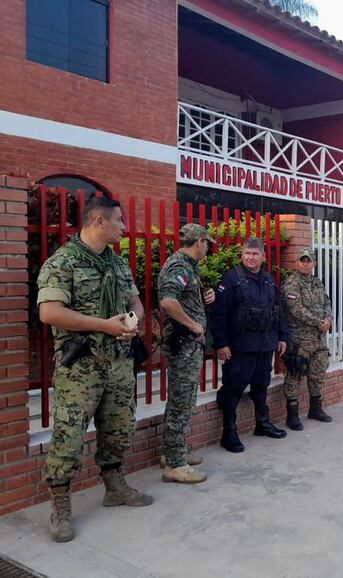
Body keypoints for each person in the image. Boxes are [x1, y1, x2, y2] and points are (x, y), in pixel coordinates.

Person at [37, 196, 153, 543]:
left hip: (118, 362)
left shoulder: (116, 264)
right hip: (80, 369)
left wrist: (134, 319)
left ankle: (114, 486)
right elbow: (50, 313)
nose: (124, 226)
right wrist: (103, 325)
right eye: (119, 220)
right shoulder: (63, 262)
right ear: (98, 221)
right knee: (68, 438)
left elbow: (134, 299)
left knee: (119, 428)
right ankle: (60, 505)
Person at [212, 238, 289, 453]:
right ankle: (229, 433)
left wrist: (282, 337)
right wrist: (221, 343)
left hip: (265, 345)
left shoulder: (268, 280)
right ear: (242, 255)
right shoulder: (231, 278)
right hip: (240, 346)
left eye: (255, 254)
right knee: (233, 388)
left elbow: (278, 310)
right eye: (247, 253)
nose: (250, 257)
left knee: (261, 385)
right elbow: (220, 314)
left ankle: (262, 424)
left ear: (263, 257)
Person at [158, 223, 216, 484]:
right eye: (207, 243)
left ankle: (174, 451)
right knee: (181, 401)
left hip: (190, 344)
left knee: (183, 398)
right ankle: (175, 463)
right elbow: (167, 301)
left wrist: (204, 299)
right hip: (183, 343)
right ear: (199, 241)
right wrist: (192, 324)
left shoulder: (190, 267)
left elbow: (182, 298)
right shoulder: (179, 265)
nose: (208, 248)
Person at [281, 249, 334, 430]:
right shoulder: (292, 282)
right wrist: (318, 322)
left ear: (314, 264)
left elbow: (327, 303)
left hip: (318, 339)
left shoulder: (317, 282)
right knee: (295, 374)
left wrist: (328, 320)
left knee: (317, 373)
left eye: (308, 261)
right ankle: (292, 415)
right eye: (302, 261)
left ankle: (315, 409)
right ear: (297, 263)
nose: (305, 263)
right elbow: (296, 309)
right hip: (300, 339)